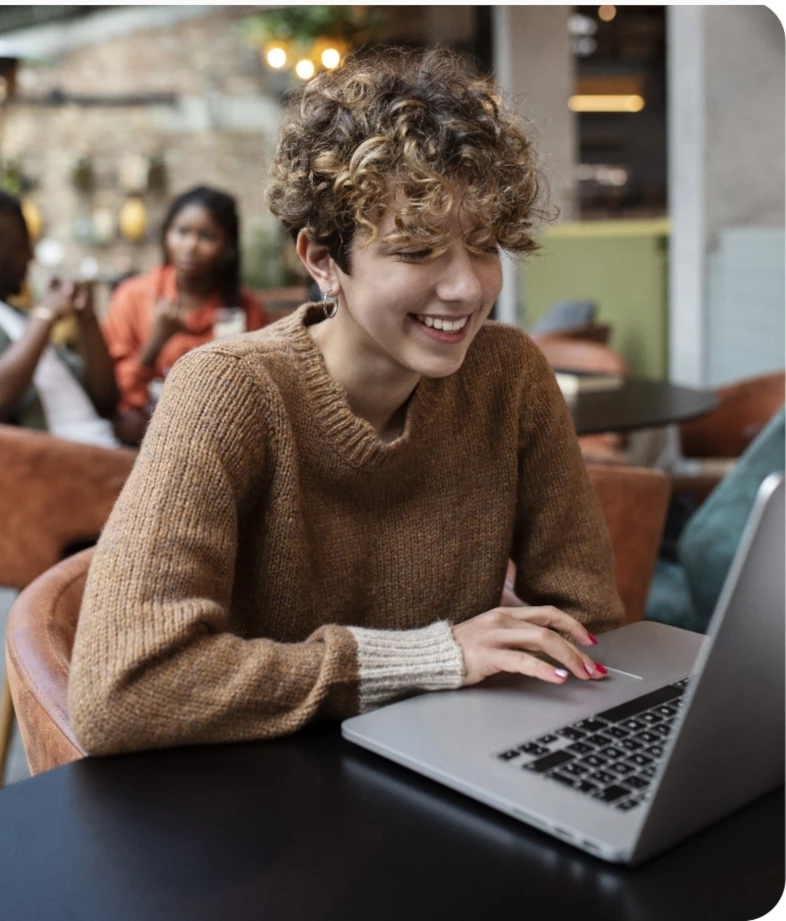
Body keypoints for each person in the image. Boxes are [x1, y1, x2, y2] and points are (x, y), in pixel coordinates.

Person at [69, 47, 624, 756]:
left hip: (454, 761)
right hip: (265, 786)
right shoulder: (227, 390)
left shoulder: (508, 374)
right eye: (416, 249)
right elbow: (120, 688)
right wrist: (432, 658)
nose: (467, 288)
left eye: (484, 244)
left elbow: (588, 621)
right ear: (322, 259)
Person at [0, 184, 119, 447]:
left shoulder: (12, 315)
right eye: (22, 246)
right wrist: (45, 316)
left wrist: (86, 319)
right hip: (53, 461)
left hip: (102, 451)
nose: (31, 256)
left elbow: (104, 399)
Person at [101, 186, 264, 426]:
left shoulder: (245, 308)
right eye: (182, 232)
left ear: (227, 245)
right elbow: (115, 394)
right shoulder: (132, 296)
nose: (190, 245)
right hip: (145, 431)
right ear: (166, 234)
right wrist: (157, 340)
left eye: (206, 236)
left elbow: (258, 391)